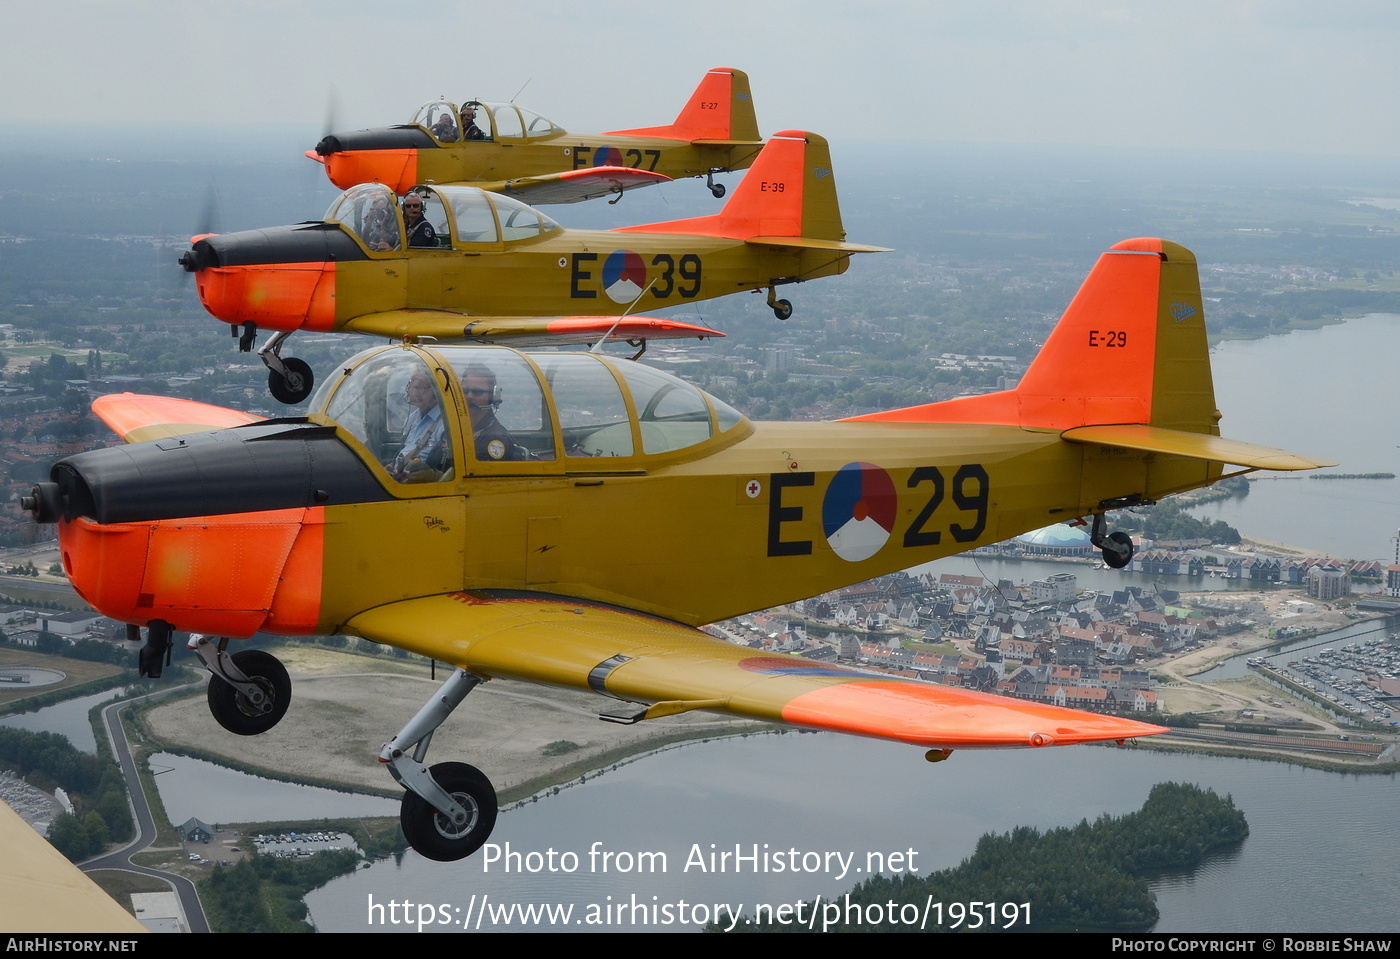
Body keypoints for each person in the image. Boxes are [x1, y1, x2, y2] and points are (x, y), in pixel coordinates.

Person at [392, 369, 451, 481]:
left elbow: (447, 467)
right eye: (414, 387)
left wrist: (432, 475)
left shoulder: (446, 423)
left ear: (436, 391)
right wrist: (392, 466)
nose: (415, 394)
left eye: (422, 388)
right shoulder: (412, 418)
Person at [461, 363, 517, 461]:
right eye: (465, 390)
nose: (469, 396)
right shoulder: (456, 428)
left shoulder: (495, 439)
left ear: (491, 397)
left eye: (477, 392)